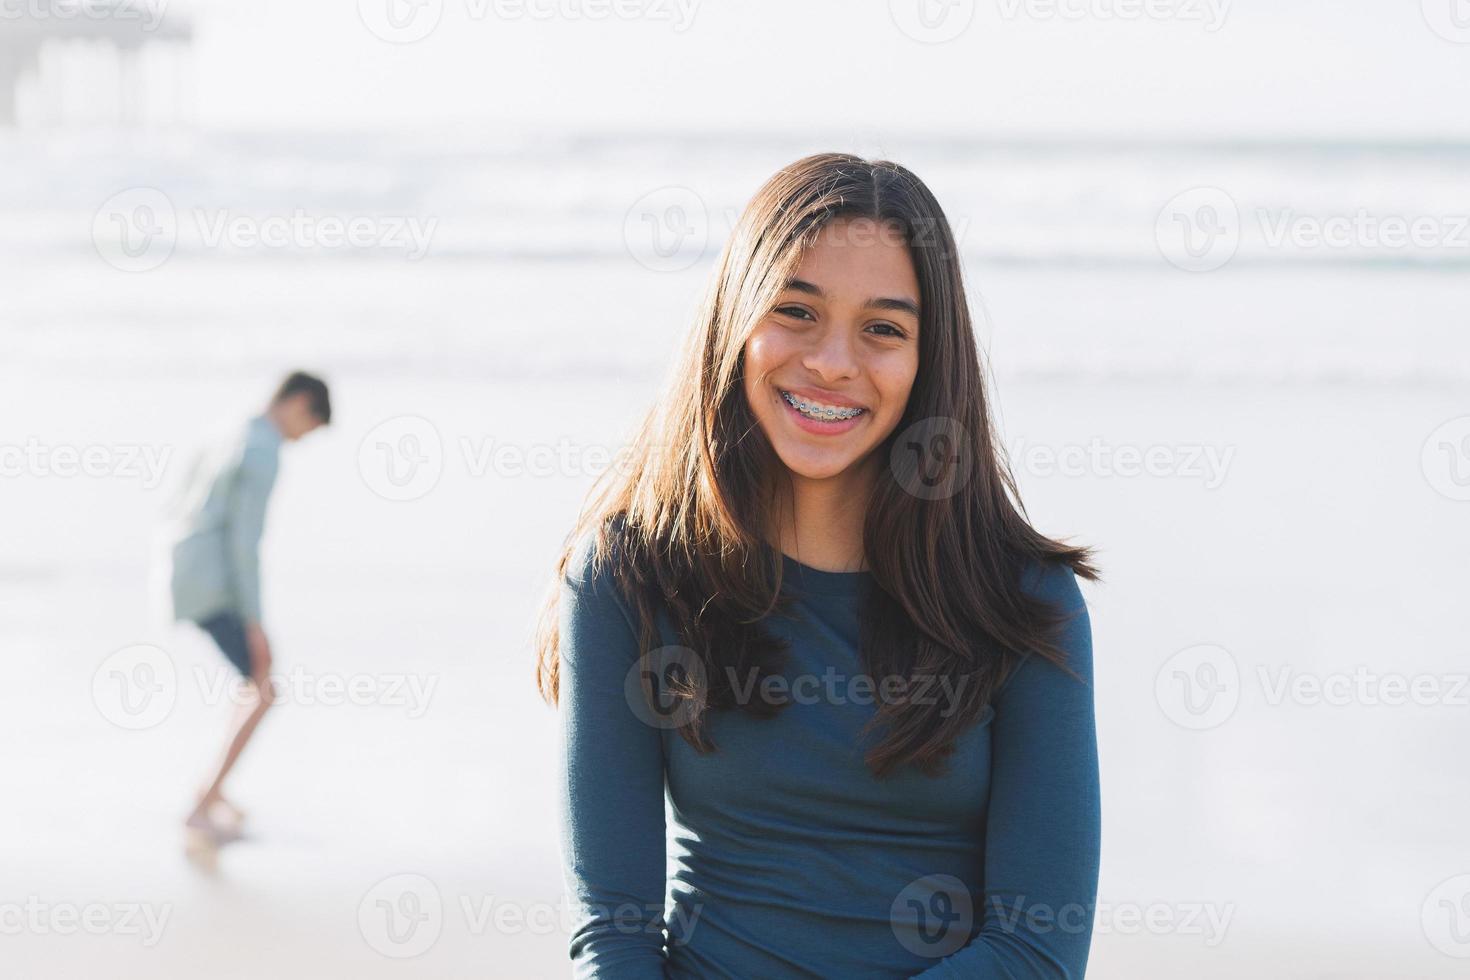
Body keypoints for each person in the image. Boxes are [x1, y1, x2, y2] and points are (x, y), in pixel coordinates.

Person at [535, 154, 1101, 977]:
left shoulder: (1023, 599)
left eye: (883, 328)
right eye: (795, 310)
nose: (834, 362)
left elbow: (1034, 953)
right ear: (736, 321)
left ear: (927, 362)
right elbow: (613, 939)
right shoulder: (630, 574)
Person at [168, 371, 331, 843]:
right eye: (311, 426)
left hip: (186, 569)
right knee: (263, 686)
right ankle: (202, 800)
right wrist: (255, 621)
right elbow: (244, 543)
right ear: (300, 403)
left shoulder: (232, 427)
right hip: (213, 581)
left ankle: (211, 791)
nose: (303, 438)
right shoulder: (262, 449)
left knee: (253, 686)